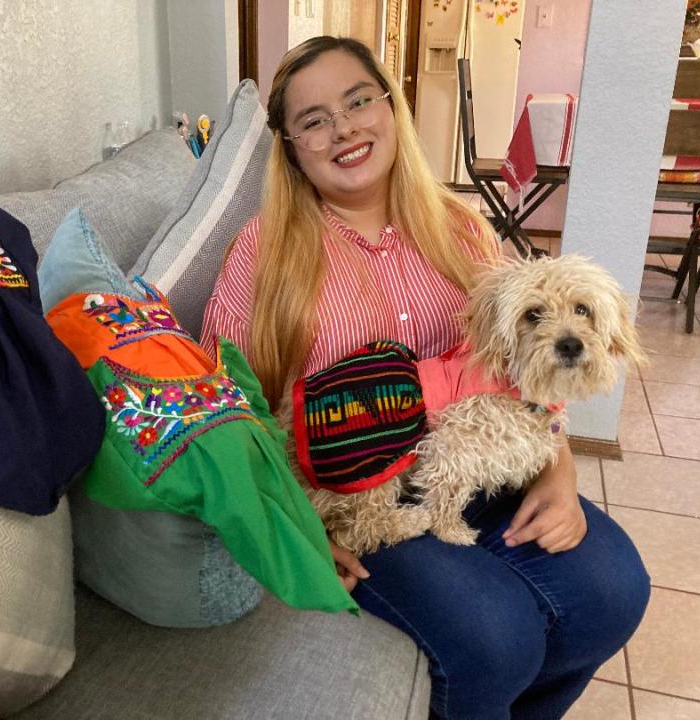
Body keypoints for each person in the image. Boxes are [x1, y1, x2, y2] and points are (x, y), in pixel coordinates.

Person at [200, 35, 650, 720]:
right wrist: (297, 527)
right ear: (290, 146)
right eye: (314, 120)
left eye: (358, 101)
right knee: (494, 639)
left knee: (613, 592)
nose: (344, 128)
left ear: (391, 106)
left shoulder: (462, 228)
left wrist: (559, 471)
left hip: (484, 468)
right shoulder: (265, 250)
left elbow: (521, 367)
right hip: (364, 498)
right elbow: (226, 404)